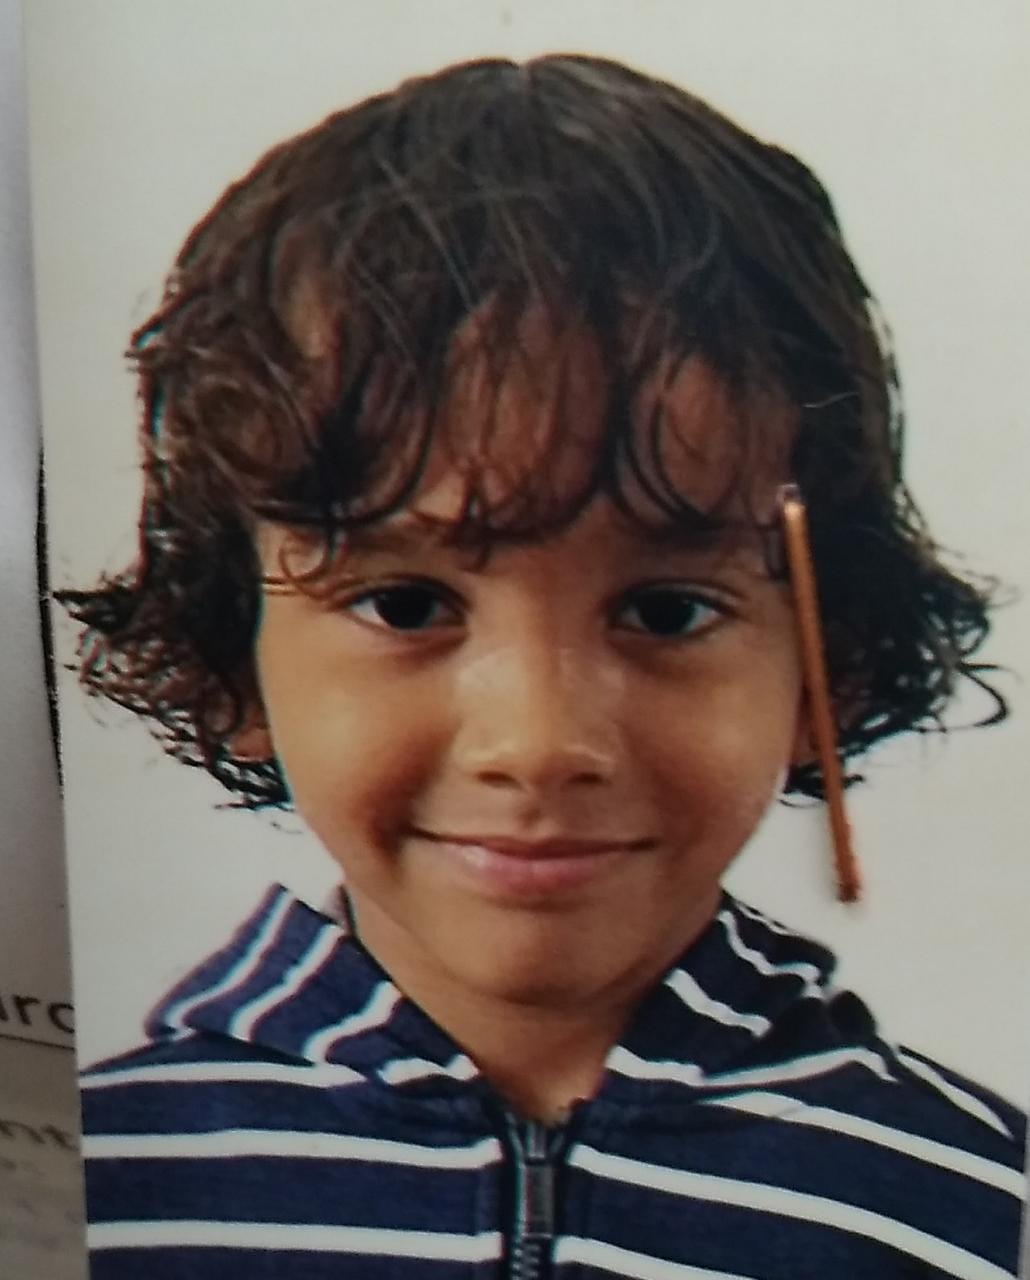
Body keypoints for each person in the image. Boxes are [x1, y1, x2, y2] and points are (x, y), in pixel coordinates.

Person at [64, 55, 1024, 1278]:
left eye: (666, 609)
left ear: (821, 669)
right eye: (406, 603)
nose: (536, 740)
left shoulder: (976, 1214)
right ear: (229, 652)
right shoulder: (104, 1184)